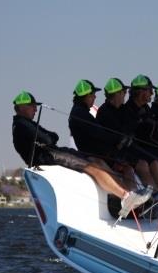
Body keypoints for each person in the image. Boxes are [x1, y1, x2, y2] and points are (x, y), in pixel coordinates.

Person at [12, 90, 150, 218]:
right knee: (93, 167)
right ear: (22, 107)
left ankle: (128, 195)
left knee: (97, 162)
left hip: (52, 153)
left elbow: (53, 136)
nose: (36, 109)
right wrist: (49, 137)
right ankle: (125, 197)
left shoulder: (25, 123)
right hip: (47, 157)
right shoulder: (22, 125)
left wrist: (49, 137)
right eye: (32, 106)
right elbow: (49, 138)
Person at [120, 75, 158, 195]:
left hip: (150, 149)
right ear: (140, 92)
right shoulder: (127, 110)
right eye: (150, 90)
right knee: (155, 161)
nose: (152, 94)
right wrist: (140, 120)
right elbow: (131, 133)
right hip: (135, 151)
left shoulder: (146, 108)